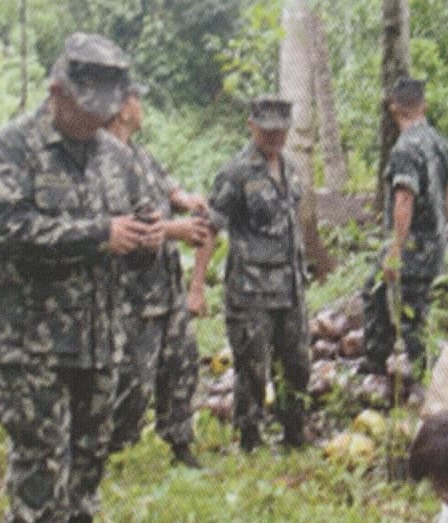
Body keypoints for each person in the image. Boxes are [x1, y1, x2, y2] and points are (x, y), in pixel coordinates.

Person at [0, 33, 163, 523]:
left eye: (106, 113)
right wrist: (97, 234)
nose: (96, 124)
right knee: (39, 444)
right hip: (30, 334)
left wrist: (148, 234)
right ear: (57, 93)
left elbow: (138, 215)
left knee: (92, 439)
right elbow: (5, 224)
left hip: (99, 330)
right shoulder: (13, 148)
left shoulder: (114, 156)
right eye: (88, 112)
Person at [106, 81, 214, 468]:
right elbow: (124, 226)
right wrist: (176, 230)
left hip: (165, 286)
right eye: (137, 99)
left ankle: (180, 443)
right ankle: (106, 448)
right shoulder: (105, 160)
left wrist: (184, 199)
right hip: (132, 293)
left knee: (182, 362)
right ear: (121, 108)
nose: (141, 106)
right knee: (133, 377)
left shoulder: (140, 155)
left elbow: (167, 188)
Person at [207, 96, 310, 452]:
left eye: (281, 131)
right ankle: (250, 440)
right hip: (251, 292)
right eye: (267, 130)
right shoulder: (236, 172)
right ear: (251, 126)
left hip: (291, 288)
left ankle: (294, 435)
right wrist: (195, 286)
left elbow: (295, 223)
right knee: (252, 369)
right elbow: (211, 227)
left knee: (297, 364)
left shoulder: (292, 167)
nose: (275, 137)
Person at [362, 78, 448, 379]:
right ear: (424, 106)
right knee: (378, 293)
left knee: (410, 314)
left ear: (393, 110)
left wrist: (396, 250)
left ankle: (423, 378)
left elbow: (404, 198)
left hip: (413, 245)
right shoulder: (441, 144)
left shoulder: (404, 149)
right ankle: (379, 361)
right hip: (435, 240)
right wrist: (445, 231)